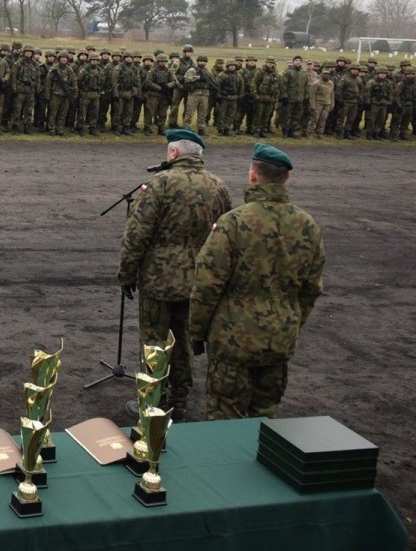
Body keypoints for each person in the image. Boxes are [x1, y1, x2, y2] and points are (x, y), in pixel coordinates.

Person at [190, 143, 324, 420]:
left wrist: (197, 332)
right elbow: (311, 288)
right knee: (264, 418)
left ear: (253, 176)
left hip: (233, 339)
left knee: (224, 420)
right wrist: (290, 324)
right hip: (279, 340)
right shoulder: (307, 225)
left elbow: (207, 283)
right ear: (287, 177)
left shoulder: (234, 223)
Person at [117, 128, 232, 421]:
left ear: (173, 153)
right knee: (182, 339)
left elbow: (137, 234)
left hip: (159, 279)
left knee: (154, 340)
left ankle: (154, 401)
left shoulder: (160, 184)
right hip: (198, 280)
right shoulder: (219, 187)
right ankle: (180, 400)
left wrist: (126, 273)